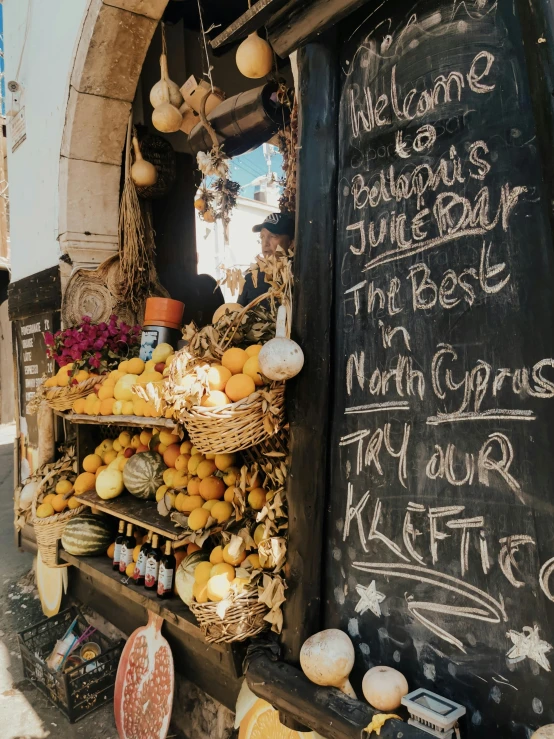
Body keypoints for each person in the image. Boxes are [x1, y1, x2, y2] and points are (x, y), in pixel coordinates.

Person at [238, 212, 295, 307]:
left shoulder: (297, 278)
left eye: (273, 236)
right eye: (262, 237)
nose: (265, 243)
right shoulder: (251, 279)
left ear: (291, 243)